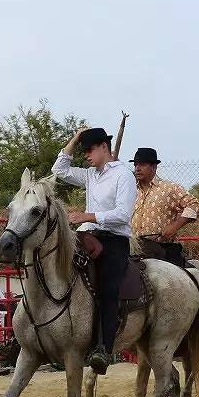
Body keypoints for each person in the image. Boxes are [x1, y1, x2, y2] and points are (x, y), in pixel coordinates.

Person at [51, 126, 138, 375]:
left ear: (103, 147)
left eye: (89, 149)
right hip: (87, 237)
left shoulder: (123, 175)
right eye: (83, 149)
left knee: (108, 287)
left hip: (114, 240)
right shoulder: (91, 175)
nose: (86, 154)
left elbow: (123, 214)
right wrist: (76, 137)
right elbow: (59, 170)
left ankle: (104, 348)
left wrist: (87, 215)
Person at [130, 147, 199, 267]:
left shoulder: (169, 188)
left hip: (163, 250)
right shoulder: (129, 190)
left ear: (154, 167)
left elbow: (194, 205)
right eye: (136, 165)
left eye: (142, 164)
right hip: (133, 251)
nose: (137, 168)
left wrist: (175, 226)